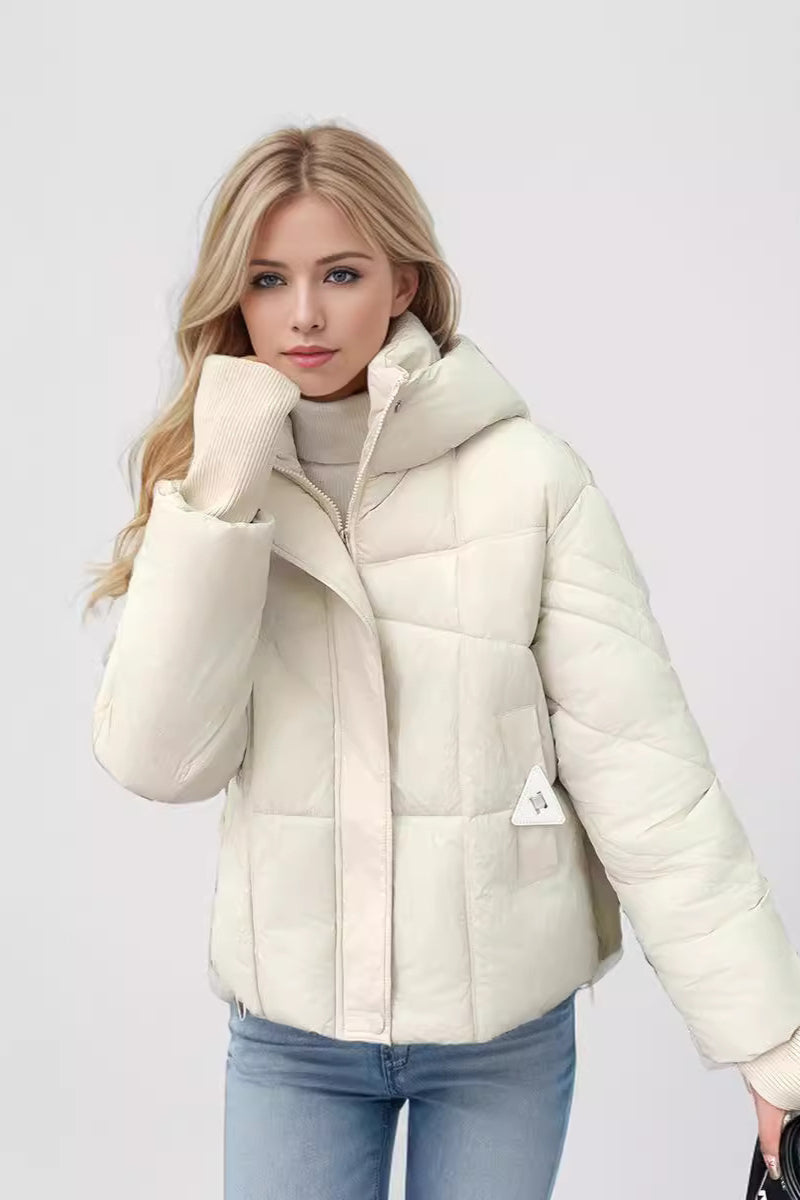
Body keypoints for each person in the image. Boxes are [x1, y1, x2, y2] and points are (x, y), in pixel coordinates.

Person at [83, 121, 800, 1199]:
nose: (305, 313)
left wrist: (771, 1046)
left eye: (340, 273)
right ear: (236, 296)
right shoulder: (221, 494)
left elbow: (645, 774)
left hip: (499, 1041)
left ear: (403, 283)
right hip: (294, 1040)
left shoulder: (528, 479)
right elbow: (159, 760)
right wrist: (220, 498)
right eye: (269, 279)